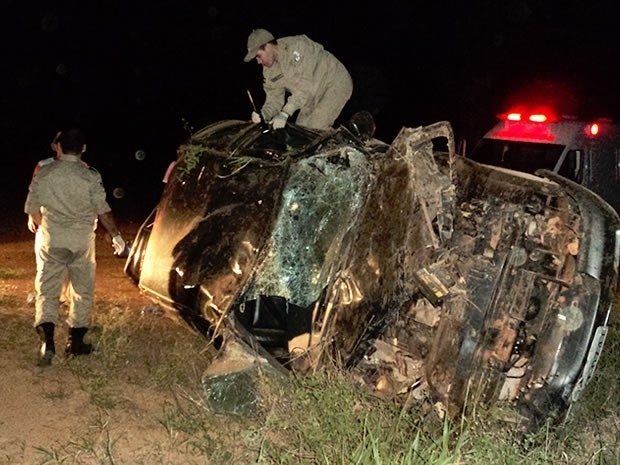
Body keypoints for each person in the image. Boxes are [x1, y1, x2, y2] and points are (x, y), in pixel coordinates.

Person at [24, 128, 127, 366]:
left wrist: (47, 229)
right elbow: (103, 210)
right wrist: (116, 236)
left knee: (47, 290)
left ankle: (47, 342)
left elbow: (32, 209)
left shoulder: (44, 174)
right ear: (83, 149)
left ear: (58, 147)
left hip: (52, 239)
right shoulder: (90, 176)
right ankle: (76, 343)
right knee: (81, 290)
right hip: (81, 241)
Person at [243, 28, 353, 130]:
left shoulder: (298, 47)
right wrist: (263, 114)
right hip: (309, 96)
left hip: (334, 83)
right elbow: (274, 99)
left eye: (258, 56)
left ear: (267, 47)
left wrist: (285, 113)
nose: (258, 62)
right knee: (300, 133)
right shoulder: (269, 70)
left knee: (315, 128)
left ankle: (346, 147)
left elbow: (305, 86)